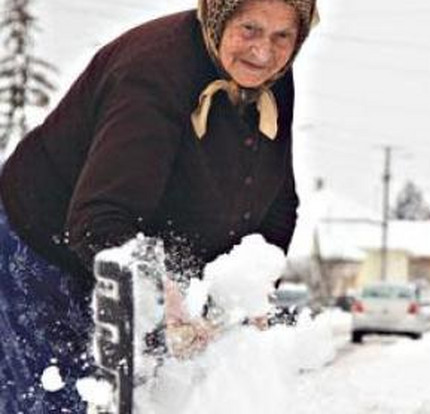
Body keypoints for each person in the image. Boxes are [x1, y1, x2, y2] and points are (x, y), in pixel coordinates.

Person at [0, 0, 318, 411]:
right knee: (63, 398)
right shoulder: (153, 73)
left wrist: (250, 297)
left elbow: (277, 206)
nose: (263, 52)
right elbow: (100, 219)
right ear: (220, 16)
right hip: (43, 251)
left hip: (141, 262)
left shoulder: (271, 77)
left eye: (282, 36)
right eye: (249, 29)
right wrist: (163, 296)